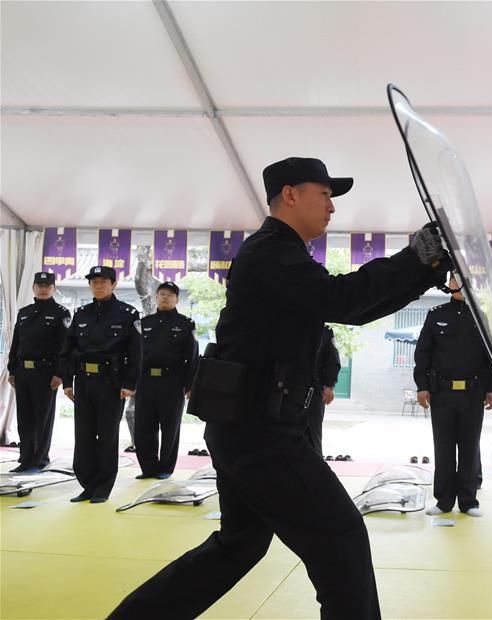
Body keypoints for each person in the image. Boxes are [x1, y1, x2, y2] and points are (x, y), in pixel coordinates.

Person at [109, 156, 448, 619]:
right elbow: (342, 299)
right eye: (325, 194)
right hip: (259, 435)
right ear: (290, 194)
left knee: (239, 546)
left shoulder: (282, 254)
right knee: (342, 539)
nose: (332, 207)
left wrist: (425, 269)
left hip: (252, 427)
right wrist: (418, 258)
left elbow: (351, 306)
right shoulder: (269, 252)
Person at [414, 275, 492, 517]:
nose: (459, 284)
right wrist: (422, 385)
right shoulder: (436, 314)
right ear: (450, 284)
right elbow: (423, 353)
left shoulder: (482, 317)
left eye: (464, 279)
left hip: (473, 394)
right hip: (442, 392)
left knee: (469, 447)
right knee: (443, 447)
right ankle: (443, 501)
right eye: (455, 279)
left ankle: (469, 501)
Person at [59, 265, 141, 503]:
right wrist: (67, 381)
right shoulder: (81, 313)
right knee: (83, 436)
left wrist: (129, 384)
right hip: (84, 382)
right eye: (94, 281)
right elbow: (68, 350)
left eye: (103, 281)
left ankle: (103, 487)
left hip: (111, 383)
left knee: (106, 436)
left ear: (113, 284)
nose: (98, 285)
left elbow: (136, 353)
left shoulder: (128, 314)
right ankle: (87, 484)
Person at [133, 281, 199, 479]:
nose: (165, 297)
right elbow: (134, 354)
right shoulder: (144, 323)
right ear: (156, 297)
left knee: (170, 427)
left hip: (172, 381)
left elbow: (193, 357)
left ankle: (165, 468)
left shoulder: (186, 324)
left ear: (177, 299)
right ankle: (148, 467)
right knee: (144, 426)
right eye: (161, 294)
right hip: (145, 381)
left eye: (170, 295)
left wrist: (190, 386)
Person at [6, 272, 70, 473]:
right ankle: (25, 459)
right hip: (23, 372)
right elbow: (16, 343)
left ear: (54, 288)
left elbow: (65, 346)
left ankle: (40, 460)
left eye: (47, 286)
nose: (43, 289)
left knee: (43, 418)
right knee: (24, 417)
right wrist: (12, 369)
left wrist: (60, 373)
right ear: (33, 287)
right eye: (39, 285)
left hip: (46, 373)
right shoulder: (24, 312)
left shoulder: (61, 313)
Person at [304, 325, 341, 456]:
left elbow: (332, 359)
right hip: (288, 390)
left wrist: (329, 385)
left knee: (313, 436)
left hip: (314, 391)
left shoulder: (325, 330)